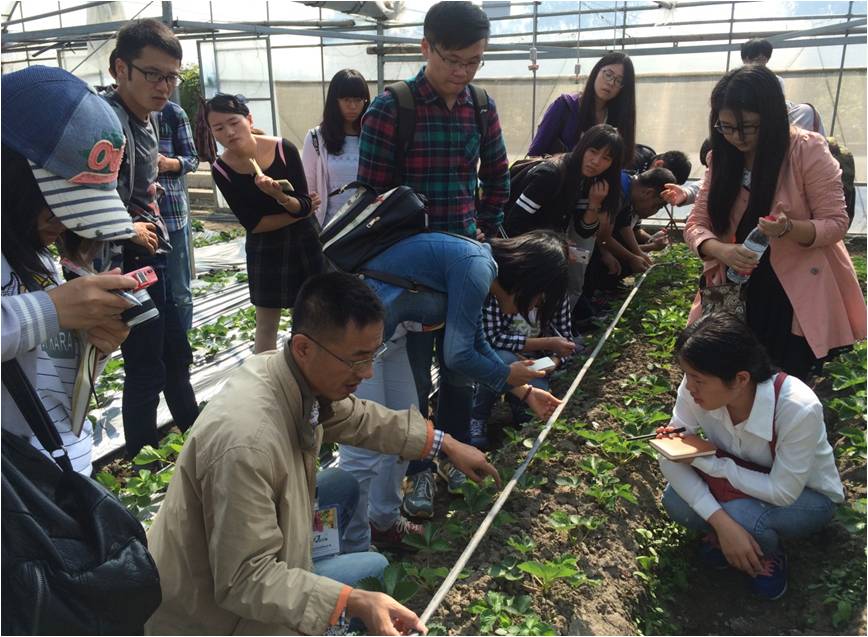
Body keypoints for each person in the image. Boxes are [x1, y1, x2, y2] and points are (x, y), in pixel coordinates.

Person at [145, 272, 499, 636]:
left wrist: (445, 444)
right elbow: (245, 579)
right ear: (303, 348)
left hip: (244, 567)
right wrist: (349, 601)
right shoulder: (246, 443)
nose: (368, 372)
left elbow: (359, 417)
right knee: (373, 571)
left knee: (343, 485)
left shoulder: (289, 377)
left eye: (373, 355)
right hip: (212, 618)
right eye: (357, 360)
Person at [339, 230, 564, 545]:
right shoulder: (476, 267)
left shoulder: (481, 268)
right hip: (356, 338)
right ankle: (350, 541)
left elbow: (476, 340)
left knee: (404, 428)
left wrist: (525, 391)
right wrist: (504, 375)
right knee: (363, 448)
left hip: (390, 339)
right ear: (530, 280)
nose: (536, 305)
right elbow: (457, 354)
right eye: (540, 297)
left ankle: (382, 522)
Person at [1, 66, 141, 475]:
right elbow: (37, 317)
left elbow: (46, 382)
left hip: (53, 478)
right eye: (54, 202)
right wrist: (51, 310)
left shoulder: (35, 252)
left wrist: (90, 349)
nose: (64, 223)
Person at [684, 65, 866, 379]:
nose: (737, 137)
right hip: (735, 286)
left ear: (770, 117)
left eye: (748, 127)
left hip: (791, 292)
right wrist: (721, 251)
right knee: (732, 373)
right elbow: (696, 224)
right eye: (726, 127)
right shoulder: (721, 157)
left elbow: (836, 222)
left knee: (783, 379)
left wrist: (789, 228)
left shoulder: (806, 150)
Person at [657, 312, 844, 600]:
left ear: (740, 379)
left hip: (806, 498)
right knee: (676, 501)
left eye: (698, 379)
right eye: (687, 375)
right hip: (741, 480)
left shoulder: (796, 408)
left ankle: (765, 553)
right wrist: (722, 523)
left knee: (742, 514)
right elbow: (669, 454)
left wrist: (714, 466)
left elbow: (783, 492)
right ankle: (728, 537)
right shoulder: (695, 390)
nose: (689, 386)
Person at [104, 19, 199, 459]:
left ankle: (196, 435)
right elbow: (82, 200)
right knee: (146, 365)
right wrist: (129, 226)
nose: (164, 86)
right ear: (120, 68)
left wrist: (149, 201)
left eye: (171, 77)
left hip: (152, 255)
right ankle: (140, 456)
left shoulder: (149, 120)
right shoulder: (106, 123)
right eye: (153, 74)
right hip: (124, 261)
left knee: (176, 352)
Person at [357, 0, 509, 240]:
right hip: (405, 252)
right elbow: (370, 195)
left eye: (473, 62)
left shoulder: (482, 107)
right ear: (426, 47)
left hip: (466, 246)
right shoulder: (390, 109)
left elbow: (498, 176)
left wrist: (485, 224)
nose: (462, 71)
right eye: (452, 60)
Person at [207, 93, 325, 353]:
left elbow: (303, 203)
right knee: (265, 324)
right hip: (265, 247)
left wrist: (280, 197)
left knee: (309, 317)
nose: (229, 132)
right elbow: (254, 224)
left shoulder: (283, 149)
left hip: (304, 240)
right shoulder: (221, 169)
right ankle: (264, 376)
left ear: (249, 120)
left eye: (234, 122)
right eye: (219, 128)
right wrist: (298, 211)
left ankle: (308, 370)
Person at [504, 123, 624, 306]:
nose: (596, 161)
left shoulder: (587, 181)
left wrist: (594, 204)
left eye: (606, 158)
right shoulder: (550, 175)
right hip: (518, 254)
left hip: (542, 253)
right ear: (582, 146)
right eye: (593, 151)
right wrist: (555, 244)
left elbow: (583, 231)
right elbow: (513, 223)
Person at [469, 294, 577, 449]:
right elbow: (492, 339)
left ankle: (517, 406)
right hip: (502, 355)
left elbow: (567, 343)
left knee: (528, 416)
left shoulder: (557, 296)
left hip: (536, 363)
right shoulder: (501, 293)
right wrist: (548, 343)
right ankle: (478, 416)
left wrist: (554, 361)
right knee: (499, 363)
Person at [528, 51, 636, 164]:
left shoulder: (618, 120)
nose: (611, 83)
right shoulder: (566, 105)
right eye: (608, 75)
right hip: (557, 174)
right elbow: (534, 156)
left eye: (619, 81)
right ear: (596, 71)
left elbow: (621, 163)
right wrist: (560, 160)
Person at [302, 69, 370, 227]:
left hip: (367, 227)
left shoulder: (372, 136)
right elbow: (308, 187)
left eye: (358, 100)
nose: (352, 106)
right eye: (346, 99)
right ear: (335, 101)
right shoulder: (316, 138)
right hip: (329, 228)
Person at [157, 99, 199, 331]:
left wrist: (169, 163)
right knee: (144, 289)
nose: (163, 86)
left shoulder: (172, 113)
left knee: (179, 288)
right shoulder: (113, 110)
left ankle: (183, 339)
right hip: (134, 221)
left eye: (168, 80)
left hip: (171, 215)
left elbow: (192, 159)